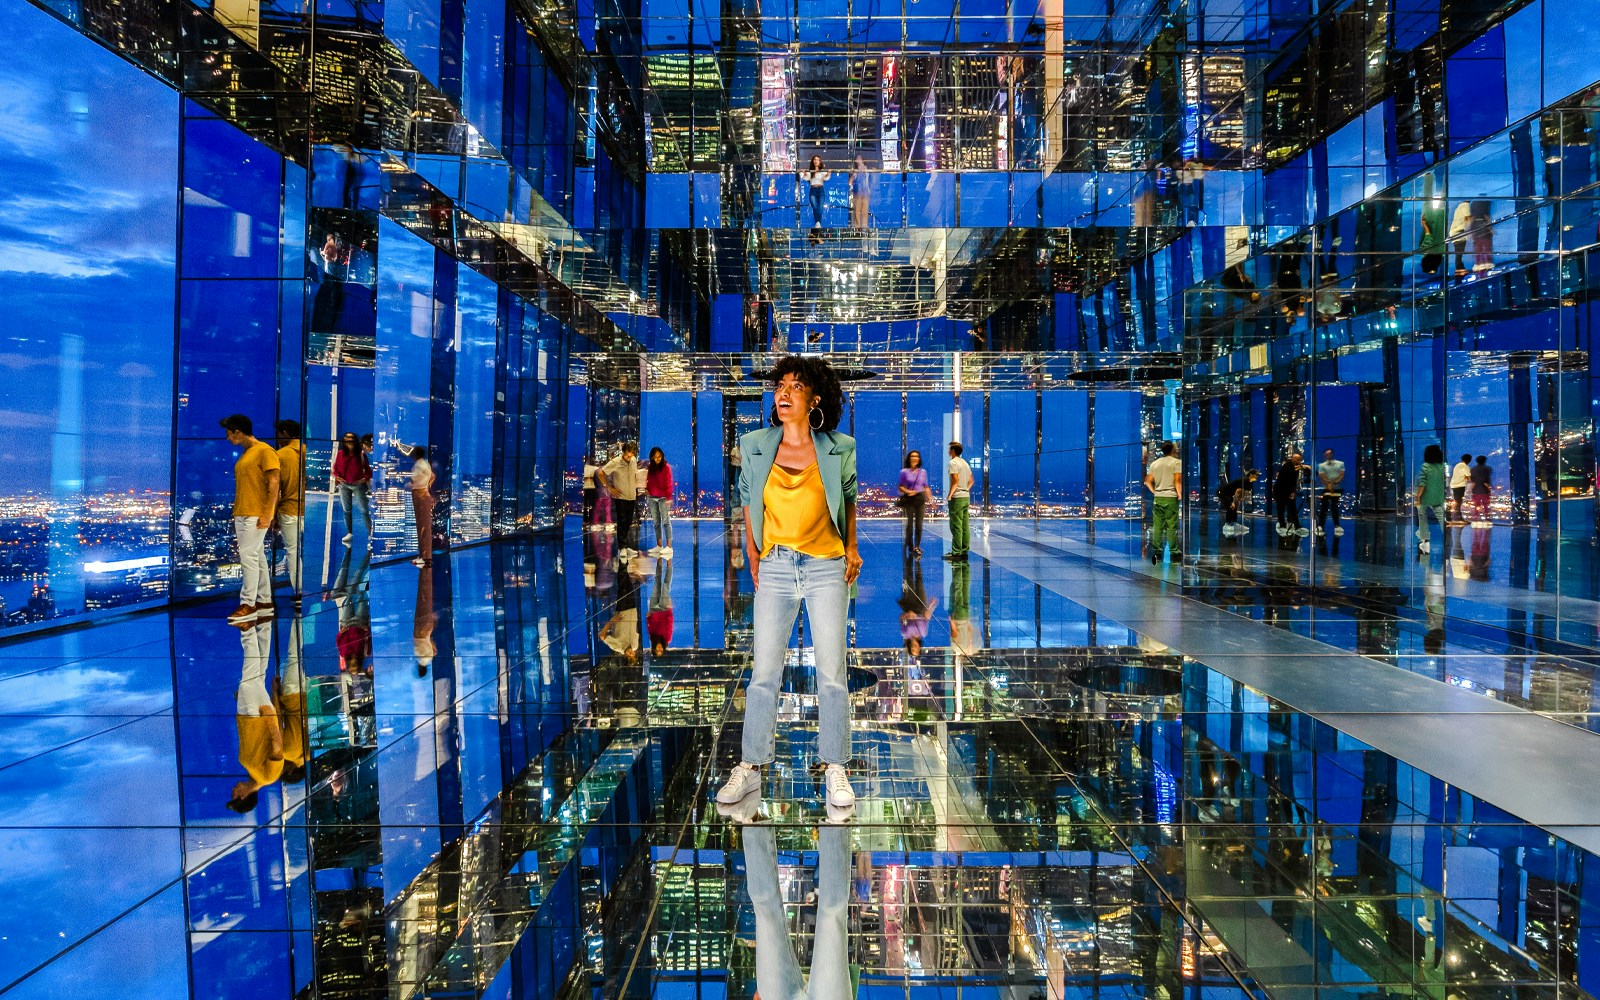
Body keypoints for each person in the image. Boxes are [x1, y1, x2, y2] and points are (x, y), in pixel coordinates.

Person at [717, 356, 861, 813]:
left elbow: (851, 498)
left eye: (795, 387)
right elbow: (745, 497)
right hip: (776, 567)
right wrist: (754, 551)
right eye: (780, 385)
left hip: (826, 567)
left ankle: (835, 764)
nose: (783, 393)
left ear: (814, 399)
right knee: (763, 674)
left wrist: (852, 547)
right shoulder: (756, 444)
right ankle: (750, 765)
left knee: (832, 673)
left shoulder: (839, 447)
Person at [221, 414, 280, 624]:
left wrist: (268, 512)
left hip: (255, 513)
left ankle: (248, 604)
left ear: (238, 431)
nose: (227, 438)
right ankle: (264, 601)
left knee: (248, 556)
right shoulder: (247, 453)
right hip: (244, 512)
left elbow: (274, 483)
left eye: (229, 433)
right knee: (256, 556)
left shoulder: (264, 451)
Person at [274, 420, 305, 602]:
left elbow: (276, 488)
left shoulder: (280, 455)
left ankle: (299, 591)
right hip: (307, 510)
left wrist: (273, 514)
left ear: (285, 433)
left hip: (289, 509)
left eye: (279, 434)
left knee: (292, 551)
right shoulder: (306, 451)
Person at [1144, 441, 1182, 564]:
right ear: (1172, 450)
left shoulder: (1155, 464)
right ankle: (1174, 552)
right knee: (1171, 526)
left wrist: (1155, 492)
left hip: (1158, 497)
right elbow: (1177, 481)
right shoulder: (1176, 463)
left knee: (1157, 526)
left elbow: (1147, 481)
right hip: (1170, 497)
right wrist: (1179, 495)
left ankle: (1157, 551)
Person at [331, 432, 372, 544]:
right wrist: (338, 477)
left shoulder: (361, 455)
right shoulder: (340, 454)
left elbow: (368, 471)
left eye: (350, 440)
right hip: (344, 485)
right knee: (346, 510)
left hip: (358, 486)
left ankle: (370, 532)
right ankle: (349, 532)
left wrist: (364, 479)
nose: (349, 443)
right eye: (346, 440)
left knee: (364, 510)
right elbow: (335, 469)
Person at [602, 442, 641, 558]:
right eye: (628, 455)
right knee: (622, 521)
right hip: (621, 496)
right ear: (623, 452)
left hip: (631, 495)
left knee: (628, 522)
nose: (630, 457)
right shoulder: (616, 462)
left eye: (632, 455)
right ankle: (622, 547)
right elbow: (601, 472)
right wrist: (609, 488)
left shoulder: (633, 461)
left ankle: (625, 546)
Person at [1414, 443, 1448, 553]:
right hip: (1438, 496)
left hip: (1426, 496)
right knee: (1440, 516)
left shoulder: (1426, 466)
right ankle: (1447, 538)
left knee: (1422, 516)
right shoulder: (1442, 466)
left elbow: (1423, 483)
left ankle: (1425, 540)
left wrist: (1418, 496)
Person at [944, 442, 974, 561]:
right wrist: (965, 489)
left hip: (957, 498)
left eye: (949, 450)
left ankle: (956, 552)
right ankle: (964, 550)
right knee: (965, 525)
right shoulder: (965, 463)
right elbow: (971, 480)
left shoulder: (953, 463)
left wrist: (950, 494)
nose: (948, 452)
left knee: (956, 525)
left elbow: (955, 481)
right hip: (966, 497)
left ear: (953, 451)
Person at [898, 450, 932, 554]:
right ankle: (910, 544)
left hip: (920, 498)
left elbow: (925, 486)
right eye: (913, 456)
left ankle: (917, 546)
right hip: (910, 499)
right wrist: (908, 491)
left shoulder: (923, 472)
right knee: (910, 524)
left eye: (917, 456)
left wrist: (930, 498)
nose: (915, 458)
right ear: (909, 458)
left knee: (919, 524)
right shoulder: (904, 472)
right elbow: (900, 486)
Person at [645, 447, 674, 558]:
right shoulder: (650, 467)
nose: (658, 459)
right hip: (652, 496)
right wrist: (646, 489)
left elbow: (669, 482)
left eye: (659, 457)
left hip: (663, 498)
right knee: (656, 522)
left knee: (666, 521)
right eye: (655, 457)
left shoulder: (666, 467)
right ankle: (659, 545)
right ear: (652, 457)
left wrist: (669, 497)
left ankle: (669, 546)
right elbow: (649, 480)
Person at [409, 445, 435, 567]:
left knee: (423, 527)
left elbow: (414, 481)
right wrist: (427, 486)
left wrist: (417, 485)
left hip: (420, 495)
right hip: (423, 494)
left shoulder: (419, 465)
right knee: (423, 526)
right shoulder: (425, 464)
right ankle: (424, 556)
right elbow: (433, 476)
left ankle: (425, 557)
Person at [1273, 452, 1307, 537]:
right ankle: (1282, 525)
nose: (1299, 461)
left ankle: (1297, 526)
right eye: (1297, 459)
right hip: (1280, 491)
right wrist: (1303, 467)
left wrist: (1293, 491)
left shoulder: (1295, 468)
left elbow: (1293, 482)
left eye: (1300, 460)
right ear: (1293, 459)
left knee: (1292, 508)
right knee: (1281, 508)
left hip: (1288, 491)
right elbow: (1289, 475)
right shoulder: (1287, 466)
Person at [1218, 469, 1259, 537]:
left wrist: (1238, 500)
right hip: (1223, 492)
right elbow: (1238, 491)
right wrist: (1233, 502)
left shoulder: (1250, 483)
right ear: (1251, 474)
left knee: (1234, 507)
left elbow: (1244, 492)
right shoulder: (1245, 480)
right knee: (1231, 506)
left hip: (1229, 494)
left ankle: (1234, 523)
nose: (1257, 476)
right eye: (1256, 474)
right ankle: (1227, 524)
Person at [1316, 448, 1346, 538]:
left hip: (1338, 488)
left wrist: (1335, 482)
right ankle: (1321, 525)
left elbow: (1342, 475)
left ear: (1332, 454)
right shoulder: (1322, 465)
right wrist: (1328, 484)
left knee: (1334, 506)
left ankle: (1337, 525)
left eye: (1328, 454)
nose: (1327, 456)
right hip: (1326, 488)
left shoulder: (1340, 464)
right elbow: (1322, 476)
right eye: (1326, 454)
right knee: (1324, 507)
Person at [801, 155, 830, 227]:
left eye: (817, 160)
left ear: (820, 161)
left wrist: (828, 173)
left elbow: (825, 178)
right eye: (814, 159)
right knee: (815, 207)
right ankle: (818, 223)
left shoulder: (822, 171)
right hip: (813, 189)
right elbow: (806, 178)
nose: (816, 161)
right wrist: (804, 173)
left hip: (820, 190)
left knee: (820, 207)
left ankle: (818, 223)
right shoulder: (810, 171)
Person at [1449, 453, 1472, 523]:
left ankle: (1456, 517)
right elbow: (1468, 477)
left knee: (1457, 501)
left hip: (1453, 485)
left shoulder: (1457, 465)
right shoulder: (1465, 466)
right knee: (1459, 502)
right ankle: (1459, 518)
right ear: (1469, 460)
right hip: (1460, 485)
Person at [1471, 455, 1493, 526]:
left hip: (1475, 490)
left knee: (1476, 506)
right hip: (1485, 490)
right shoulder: (1488, 469)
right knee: (1486, 506)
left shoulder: (1473, 469)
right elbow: (1488, 479)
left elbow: (1472, 480)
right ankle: (1487, 519)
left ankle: (1475, 519)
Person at [850, 154, 870, 228]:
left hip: (865, 192)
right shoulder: (855, 170)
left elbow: (870, 180)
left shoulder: (867, 169)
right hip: (857, 193)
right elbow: (850, 181)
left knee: (865, 211)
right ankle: (857, 228)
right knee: (857, 212)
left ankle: (864, 227)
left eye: (859, 158)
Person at [582, 454, 600, 529]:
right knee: (593, 505)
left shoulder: (585, 468)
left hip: (586, 488)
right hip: (593, 488)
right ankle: (592, 520)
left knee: (586, 505)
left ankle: (585, 520)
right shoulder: (596, 468)